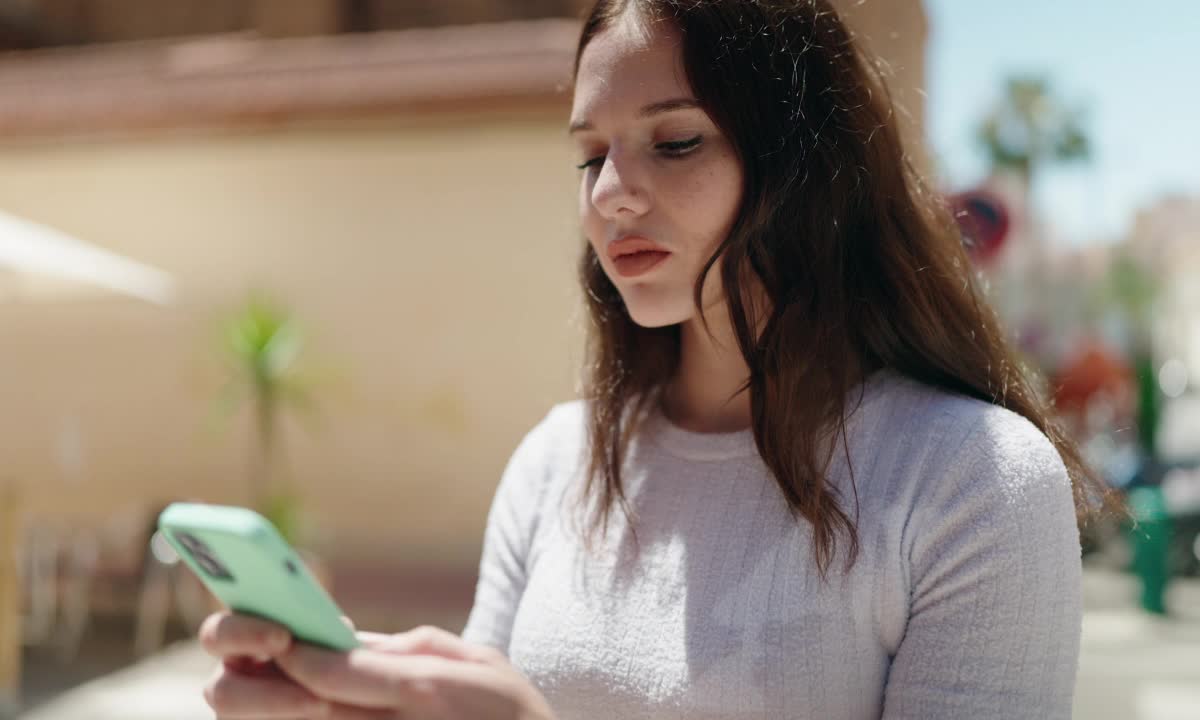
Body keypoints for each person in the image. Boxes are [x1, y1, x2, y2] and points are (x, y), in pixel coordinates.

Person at [198, 1, 1114, 718]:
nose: (613, 196)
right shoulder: (555, 463)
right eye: (590, 156)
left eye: (675, 142)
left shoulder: (975, 482)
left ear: (807, 168)